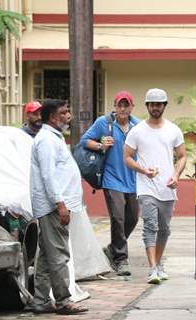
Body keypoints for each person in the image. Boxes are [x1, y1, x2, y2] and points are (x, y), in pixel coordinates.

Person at [30, 99, 88, 315]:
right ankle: (64, 301)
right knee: (59, 255)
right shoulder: (46, 140)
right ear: (53, 117)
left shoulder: (52, 138)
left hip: (55, 205)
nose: (68, 116)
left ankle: (41, 301)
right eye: (64, 113)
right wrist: (60, 204)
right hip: (53, 207)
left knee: (46, 255)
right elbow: (48, 175)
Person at [123, 88, 187, 284]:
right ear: (147, 106)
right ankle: (152, 269)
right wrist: (143, 171)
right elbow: (126, 157)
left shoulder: (173, 130)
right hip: (146, 187)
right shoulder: (137, 131)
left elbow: (182, 156)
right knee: (150, 226)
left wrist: (176, 175)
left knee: (164, 229)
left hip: (167, 187)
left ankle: (158, 264)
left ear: (164, 106)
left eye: (158, 104)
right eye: (151, 104)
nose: (154, 108)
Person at [80, 90, 140, 276]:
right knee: (118, 217)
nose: (122, 108)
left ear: (132, 107)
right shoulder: (104, 123)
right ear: (114, 106)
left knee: (132, 218)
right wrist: (100, 145)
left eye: (126, 105)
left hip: (133, 180)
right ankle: (121, 259)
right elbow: (84, 141)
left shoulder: (138, 126)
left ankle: (113, 248)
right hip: (111, 179)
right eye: (119, 104)